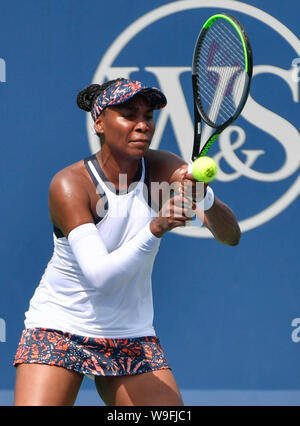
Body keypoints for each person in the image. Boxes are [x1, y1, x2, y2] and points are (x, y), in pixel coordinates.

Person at [13, 78, 241, 406]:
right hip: (60, 325)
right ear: (99, 123)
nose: (142, 125)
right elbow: (101, 278)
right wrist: (156, 227)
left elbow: (230, 236)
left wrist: (204, 198)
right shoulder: (70, 184)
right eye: (129, 115)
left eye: (148, 116)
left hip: (129, 333)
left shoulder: (163, 168)